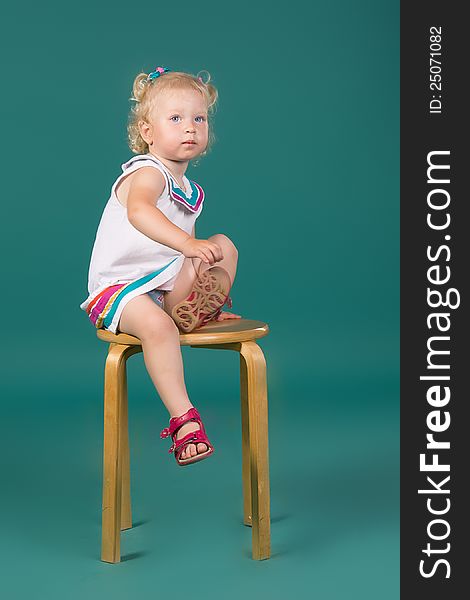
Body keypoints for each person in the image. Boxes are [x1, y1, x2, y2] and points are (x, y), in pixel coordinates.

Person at [80, 66, 241, 466]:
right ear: (148, 132)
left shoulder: (188, 188)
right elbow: (139, 212)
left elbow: (188, 249)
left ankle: (198, 309)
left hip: (163, 282)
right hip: (122, 287)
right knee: (157, 326)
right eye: (176, 118)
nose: (190, 128)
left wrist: (197, 253)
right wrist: (188, 243)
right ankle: (184, 419)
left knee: (224, 246)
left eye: (198, 119)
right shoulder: (148, 172)